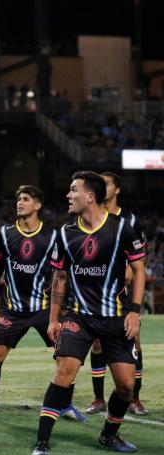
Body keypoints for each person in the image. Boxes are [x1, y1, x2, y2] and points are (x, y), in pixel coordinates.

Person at [31, 171, 146, 455]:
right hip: (79, 317)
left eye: (73, 190)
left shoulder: (122, 229)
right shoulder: (65, 233)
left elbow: (141, 270)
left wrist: (134, 312)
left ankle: (109, 435)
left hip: (116, 317)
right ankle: (42, 441)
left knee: (126, 387)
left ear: (90, 196)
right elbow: (59, 278)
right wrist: (54, 319)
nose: (68, 196)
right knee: (63, 372)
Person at [0, 186, 72, 421]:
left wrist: (62, 303)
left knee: (65, 355)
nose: (19, 203)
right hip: (13, 309)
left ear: (37, 205)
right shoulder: (5, 234)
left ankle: (65, 405)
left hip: (44, 308)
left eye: (25, 199)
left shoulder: (53, 236)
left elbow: (60, 273)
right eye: (18, 199)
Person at [85, 171, 148, 416]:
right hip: (97, 295)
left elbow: (140, 260)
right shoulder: (90, 218)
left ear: (117, 190)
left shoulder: (130, 221)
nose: (103, 187)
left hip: (124, 294)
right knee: (98, 344)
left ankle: (135, 399)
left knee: (134, 342)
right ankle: (99, 398)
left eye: (108, 183)